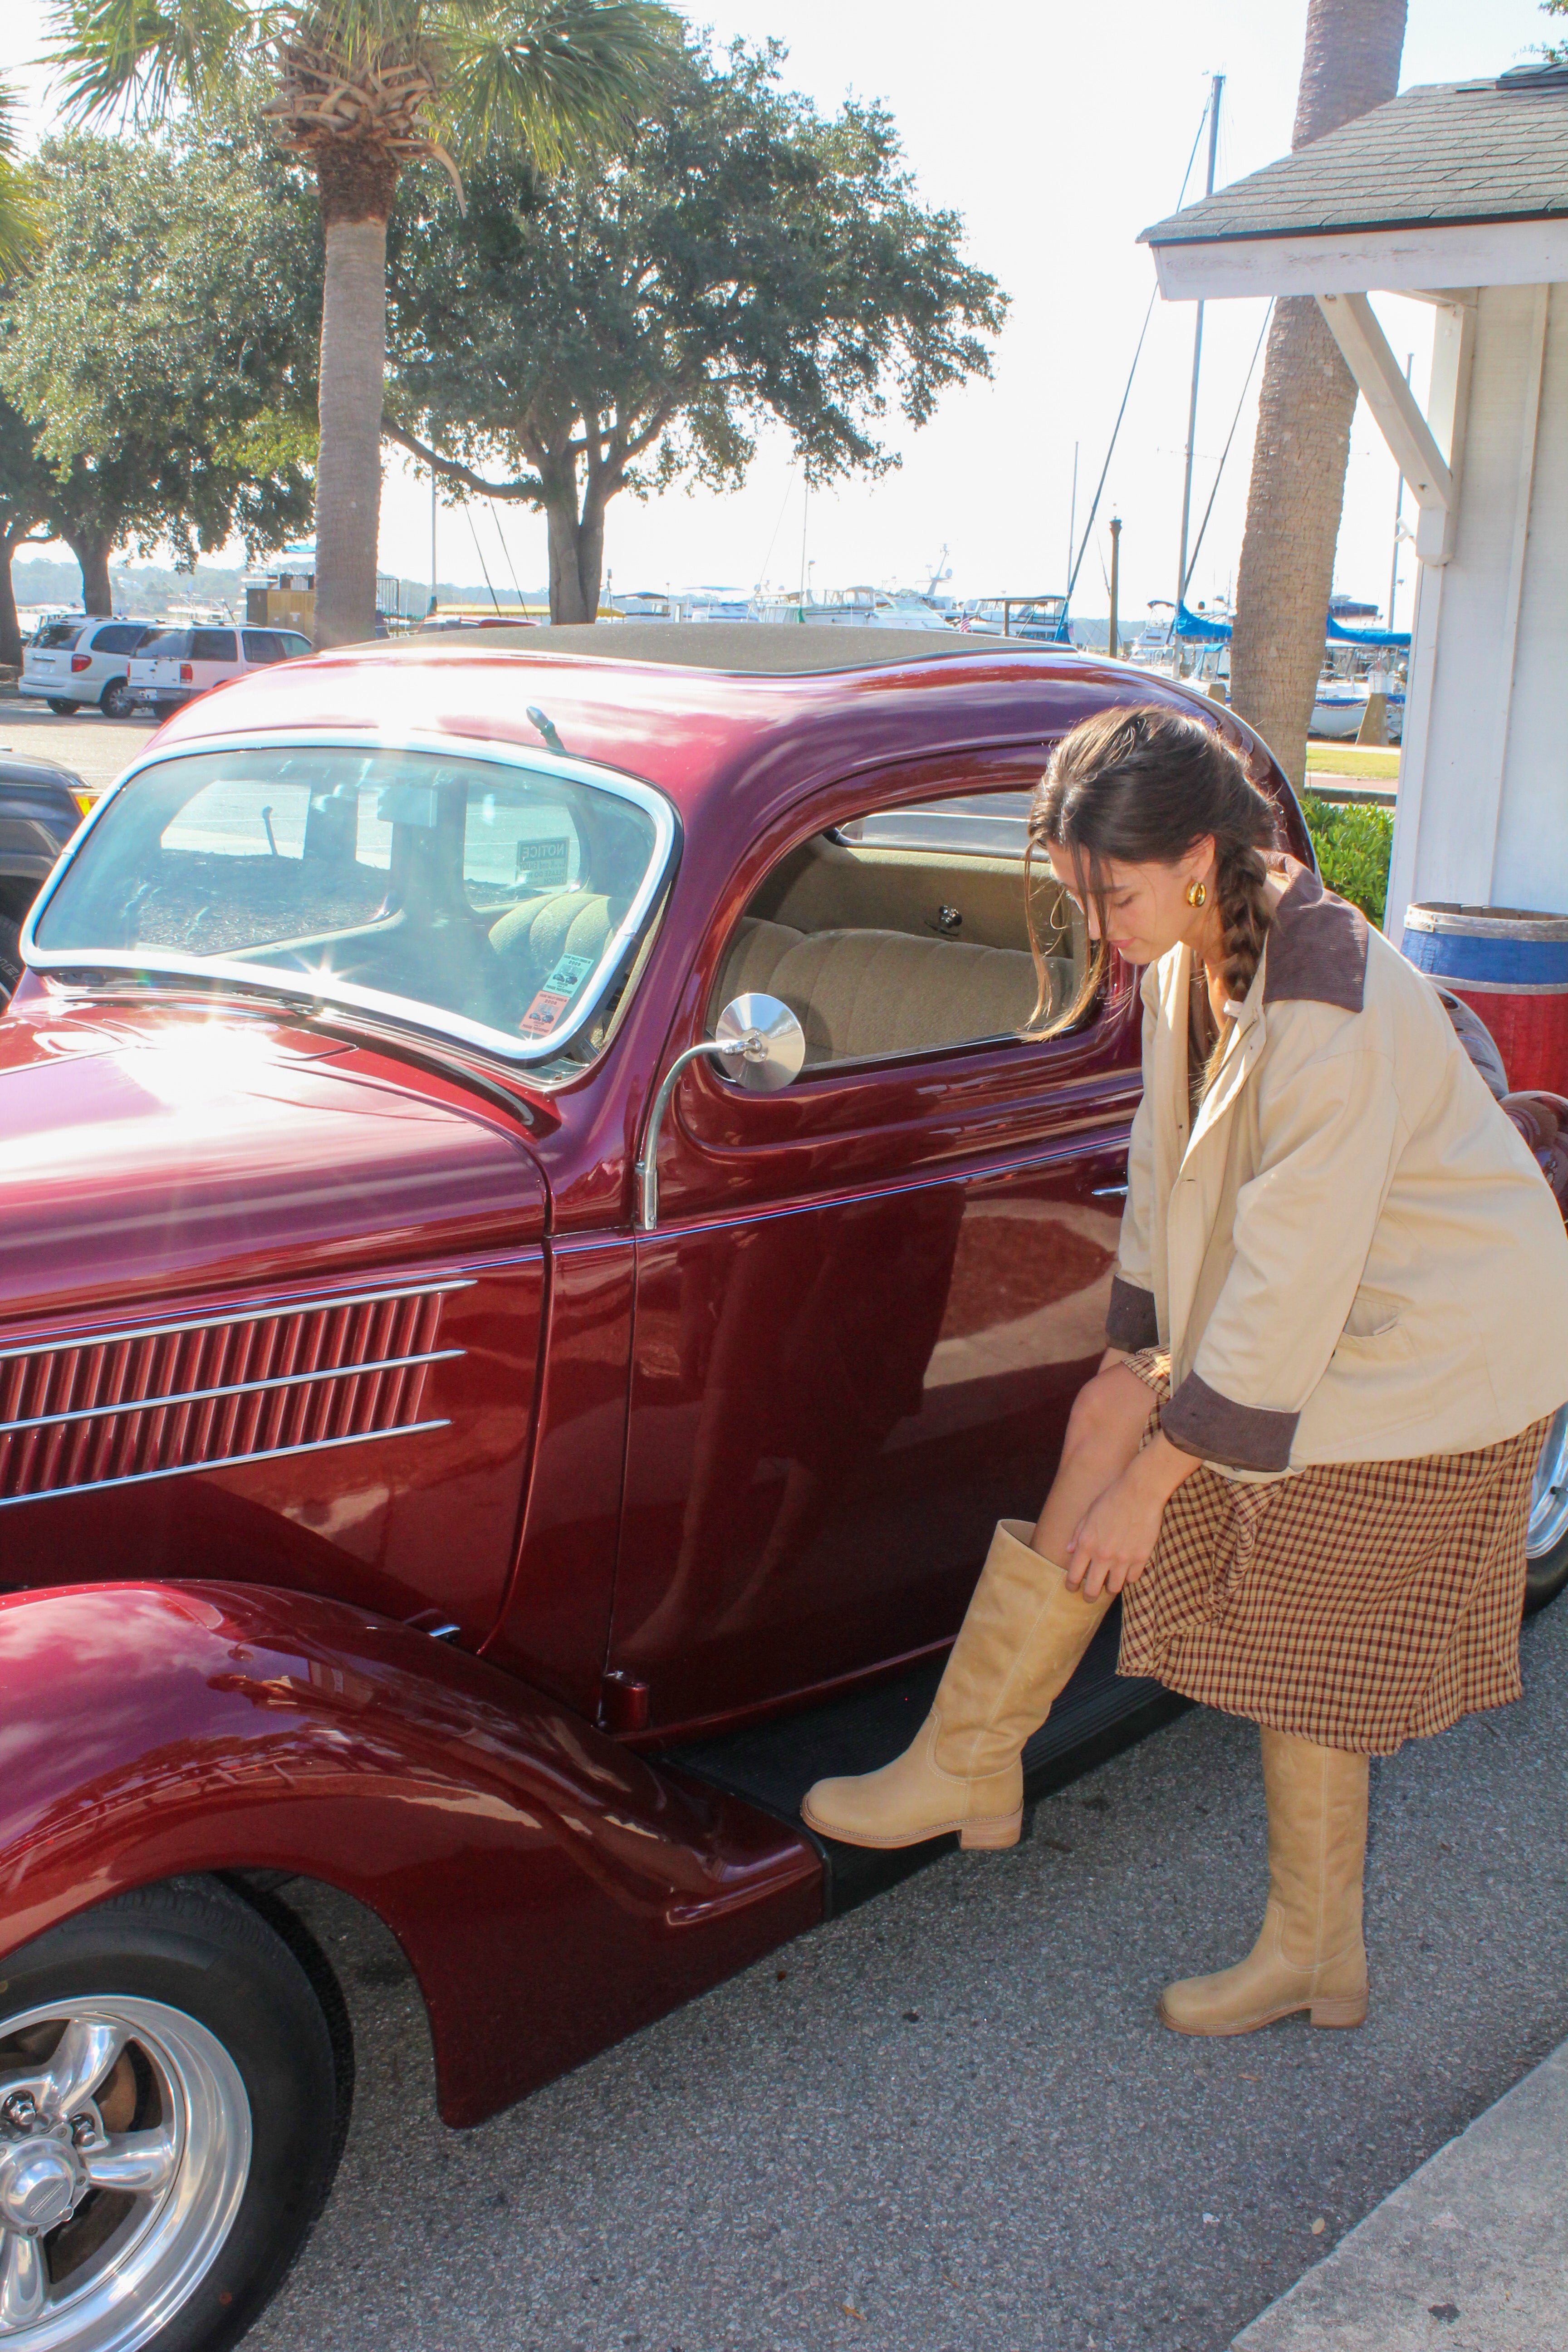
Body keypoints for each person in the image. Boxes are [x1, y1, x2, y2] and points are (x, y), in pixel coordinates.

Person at [804, 705, 1568, 2037]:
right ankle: (972, 1762)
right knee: (1114, 1431)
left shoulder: (1329, 1005)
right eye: (1079, 895)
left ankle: (1310, 1954)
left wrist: (1156, 1483)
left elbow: (1289, 1288)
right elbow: (1168, 1173)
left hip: (1429, 1347)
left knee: (1304, 1648)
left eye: (1116, 893)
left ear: (1202, 855)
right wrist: (1128, 1357)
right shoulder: (1189, 953)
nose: (1102, 926)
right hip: (1326, 1317)